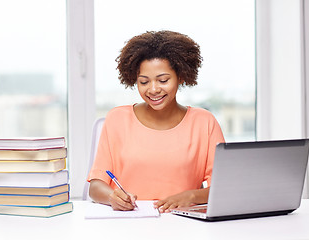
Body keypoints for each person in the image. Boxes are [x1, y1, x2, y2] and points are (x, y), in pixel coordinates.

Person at [87, 30, 225, 213]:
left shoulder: (204, 123)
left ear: (181, 77)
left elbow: (223, 187)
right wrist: (113, 197)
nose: (153, 90)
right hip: (128, 223)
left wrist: (192, 196)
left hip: (184, 223)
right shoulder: (117, 119)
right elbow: (95, 187)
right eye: (144, 82)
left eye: (163, 80)